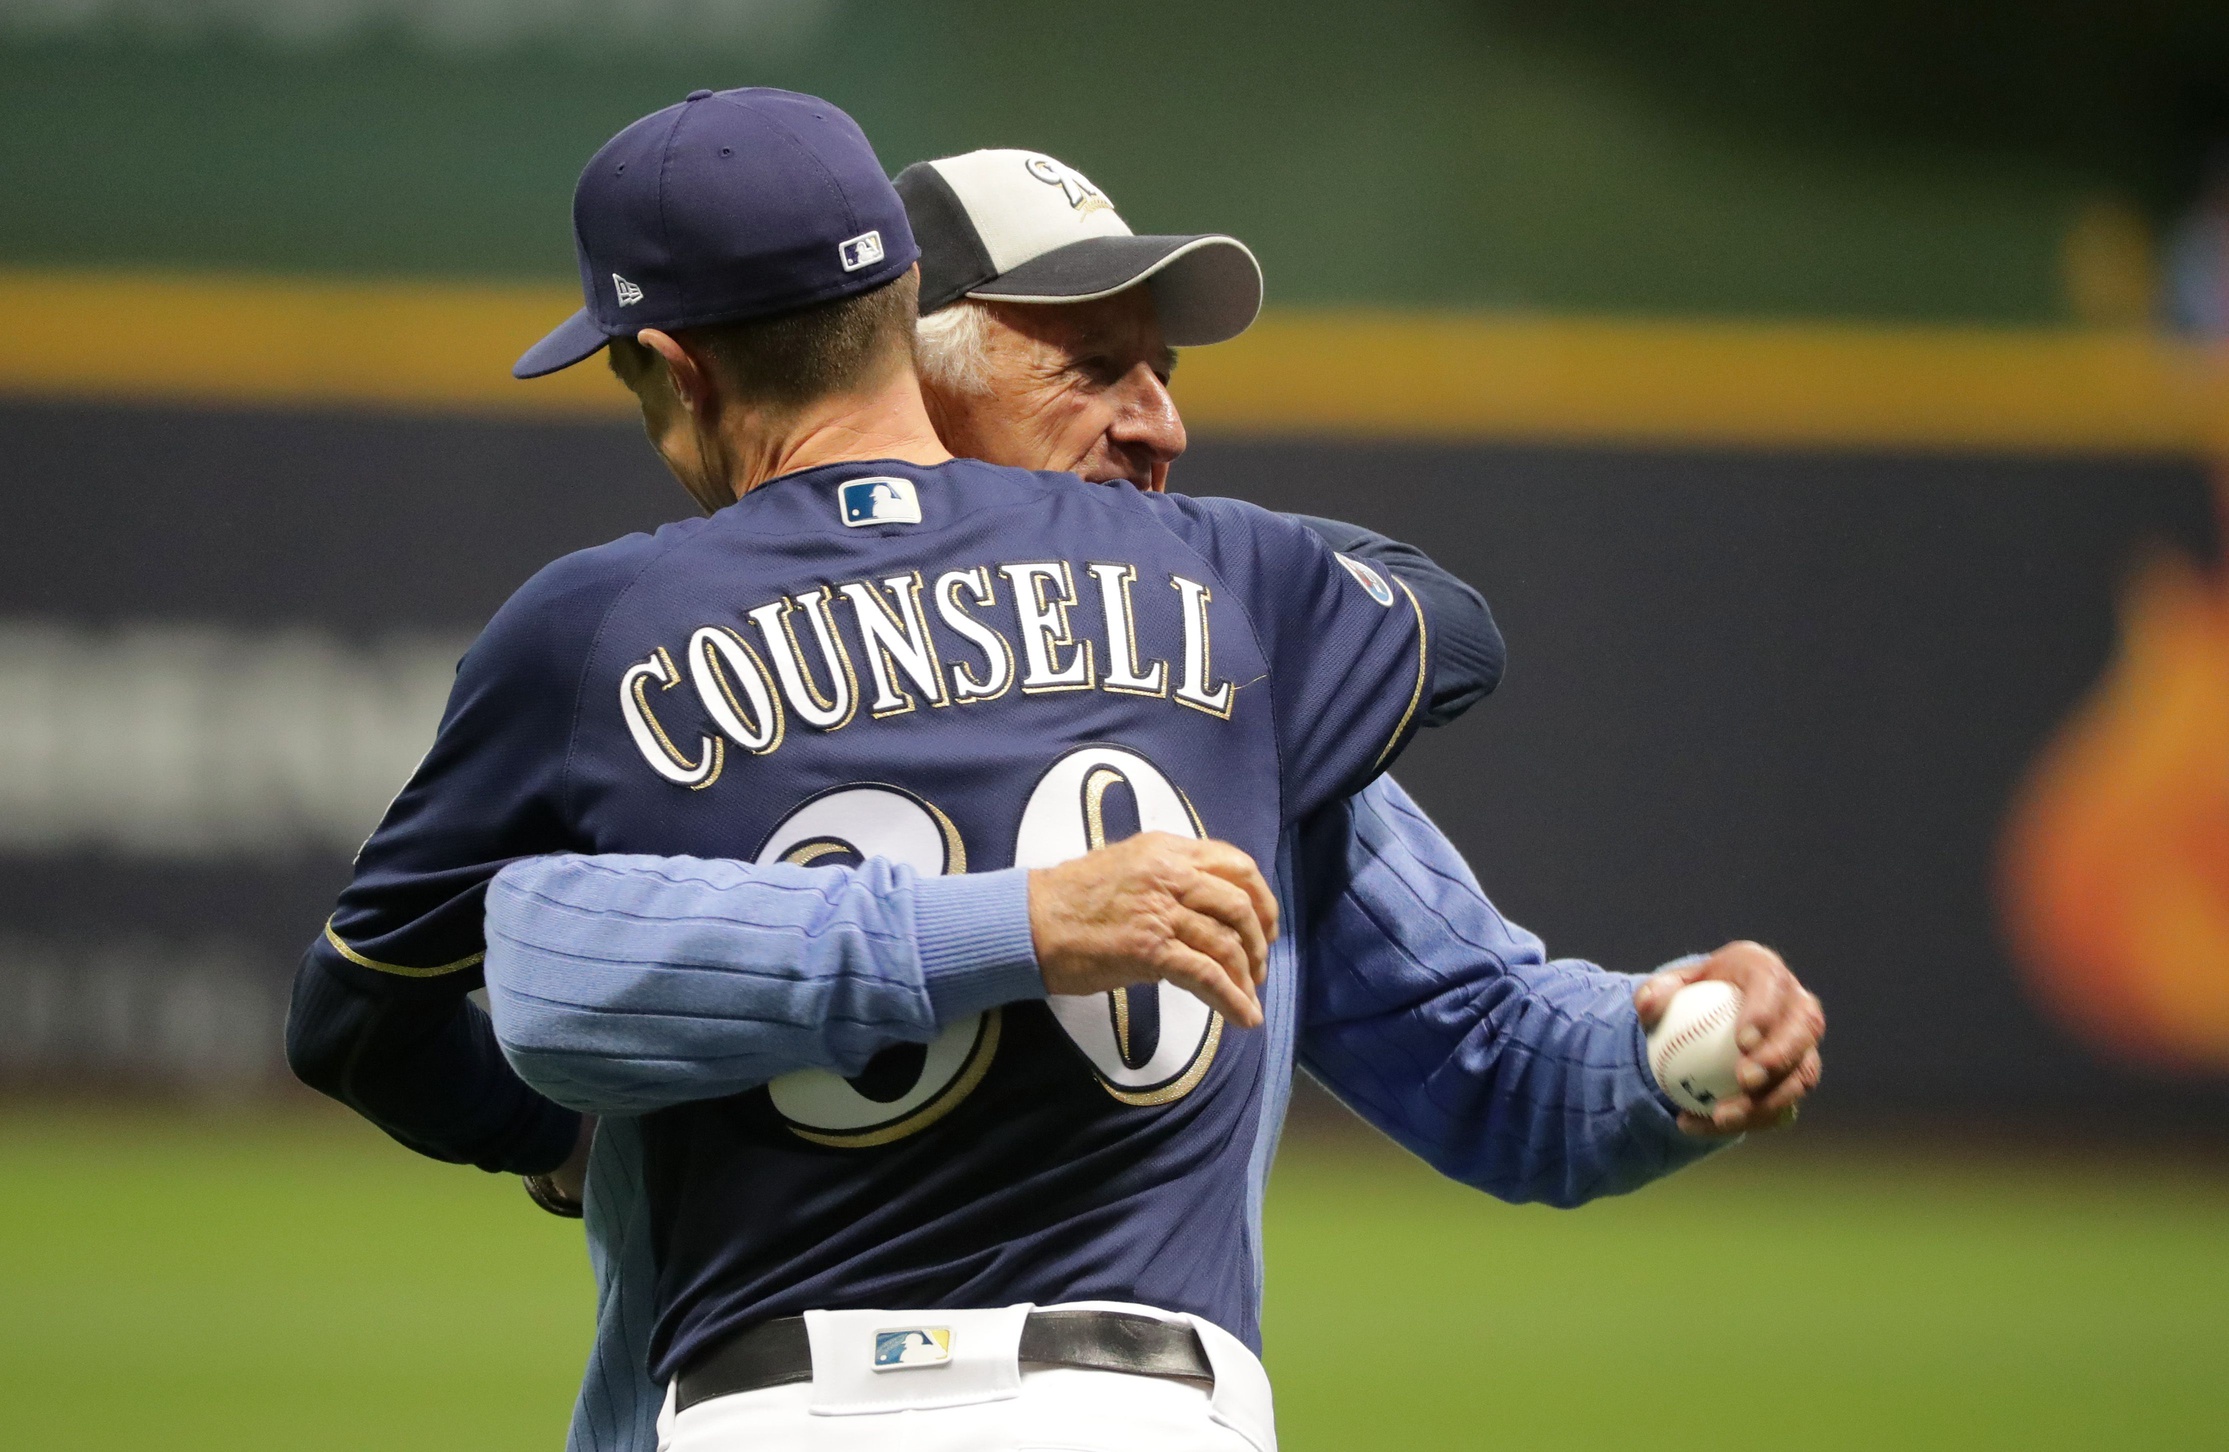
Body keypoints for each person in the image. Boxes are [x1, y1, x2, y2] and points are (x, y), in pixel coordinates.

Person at [470, 145, 1826, 1450]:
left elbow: (1490, 1047)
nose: (1160, 421)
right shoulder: (702, 682)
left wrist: (1667, 1048)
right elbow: (508, 982)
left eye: (1161, 372)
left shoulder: (1201, 690)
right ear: (900, 382)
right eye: (1094, 369)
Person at [289, 88, 1499, 1452]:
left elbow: (356, 1018)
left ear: (677, 369)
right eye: (1095, 370)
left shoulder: (592, 628)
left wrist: (552, 1137)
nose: (1150, 421)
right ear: (902, 311)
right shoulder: (1203, 578)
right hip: (1151, 1401)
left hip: (767, 1395)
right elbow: (1449, 627)